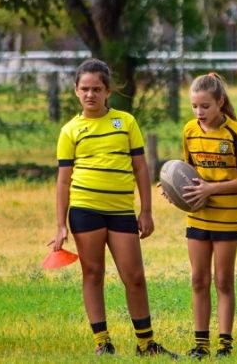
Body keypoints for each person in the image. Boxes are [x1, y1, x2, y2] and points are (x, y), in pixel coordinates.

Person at [52, 59, 176, 358]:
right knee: (93, 274)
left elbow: (141, 168)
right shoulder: (70, 130)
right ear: (76, 90)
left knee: (134, 276)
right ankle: (103, 342)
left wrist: (146, 211)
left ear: (108, 91)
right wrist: (60, 225)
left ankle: (146, 344)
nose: (90, 94)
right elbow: (64, 180)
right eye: (85, 89)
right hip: (85, 211)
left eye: (97, 89)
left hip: (121, 211)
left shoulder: (126, 122)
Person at [178, 73, 237, 359]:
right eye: (194, 106)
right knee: (198, 280)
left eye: (205, 106)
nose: (199, 112)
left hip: (228, 217)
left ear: (220, 102)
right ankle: (200, 345)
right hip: (198, 216)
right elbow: (187, 172)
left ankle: (225, 344)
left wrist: (211, 189)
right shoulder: (190, 131)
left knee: (223, 281)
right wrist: (173, 188)